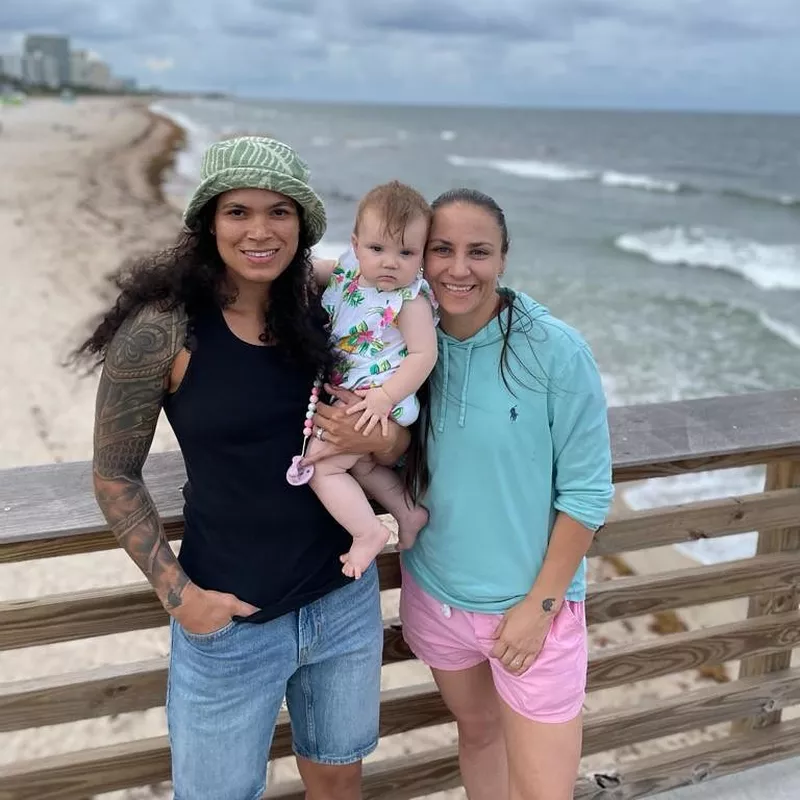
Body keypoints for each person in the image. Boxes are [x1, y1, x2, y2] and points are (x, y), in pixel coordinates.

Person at [72, 136, 409, 800]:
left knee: (340, 781)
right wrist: (180, 596)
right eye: (238, 212)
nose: (260, 230)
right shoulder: (162, 332)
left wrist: (386, 442)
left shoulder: (328, 306)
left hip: (342, 601)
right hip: (229, 621)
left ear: (303, 225)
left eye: (279, 212)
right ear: (208, 223)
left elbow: (428, 304)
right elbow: (115, 474)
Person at [306, 188, 614, 800]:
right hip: (436, 593)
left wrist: (540, 609)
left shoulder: (556, 350)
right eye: (441, 250)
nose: (457, 268)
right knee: (477, 736)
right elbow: (403, 445)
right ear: (419, 257)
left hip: (530, 610)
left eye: (479, 252)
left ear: (503, 257)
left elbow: (587, 494)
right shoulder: (411, 341)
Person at [296, 181, 437, 580]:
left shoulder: (409, 300)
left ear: (422, 256)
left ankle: (368, 533)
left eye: (406, 252)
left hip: (378, 397)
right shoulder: (350, 271)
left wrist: (384, 396)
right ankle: (409, 513)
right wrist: (294, 268)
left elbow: (424, 355)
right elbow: (322, 270)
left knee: (323, 468)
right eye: (378, 249)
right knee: (362, 466)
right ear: (356, 245)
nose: (391, 263)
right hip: (355, 393)